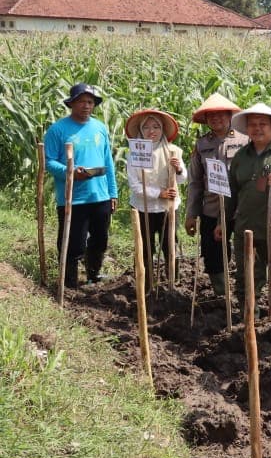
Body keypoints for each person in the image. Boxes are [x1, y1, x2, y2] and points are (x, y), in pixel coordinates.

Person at [221, 102, 271, 312]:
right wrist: (224, 223)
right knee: (246, 279)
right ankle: (250, 324)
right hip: (245, 229)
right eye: (252, 124)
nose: (257, 128)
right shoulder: (240, 157)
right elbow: (232, 193)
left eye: (262, 124)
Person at [43, 83, 117, 288]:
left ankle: (93, 274)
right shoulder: (58, 130)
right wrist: (71, 172)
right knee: (73, 243)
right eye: (82, 101)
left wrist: (113, 192)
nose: (86, 106)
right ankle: (69, 283)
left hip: (100, 195)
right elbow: (49, 161)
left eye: (90, 102)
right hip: (73, 197)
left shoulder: (100, 127)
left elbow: (108, 162)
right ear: (72, 103)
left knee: (100, 239)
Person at [184, 93, 248, 298]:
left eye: (221, 114)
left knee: (244, 254)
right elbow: (195, 182)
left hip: (240, 208)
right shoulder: (202, 144)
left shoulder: (245, 140)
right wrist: (191, 213)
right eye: (211, 115)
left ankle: (245, 295)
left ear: (230, 115)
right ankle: (222, 295)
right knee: (212, 254)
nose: (216, 119)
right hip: (211, 208)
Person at [125, 109, 186, 279]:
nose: (151, 131)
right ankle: (146, 282)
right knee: (145, 247)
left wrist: (178, 169)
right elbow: (135, 186)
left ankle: (174, 281)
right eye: (146, 127)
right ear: (140, 131)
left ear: (163, 130)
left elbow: (182, 179)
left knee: (170, 245)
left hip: (169, 208)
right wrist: (159, 193)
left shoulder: (174, 151)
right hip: (142, 207)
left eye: (156, 127)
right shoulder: (134, 154)